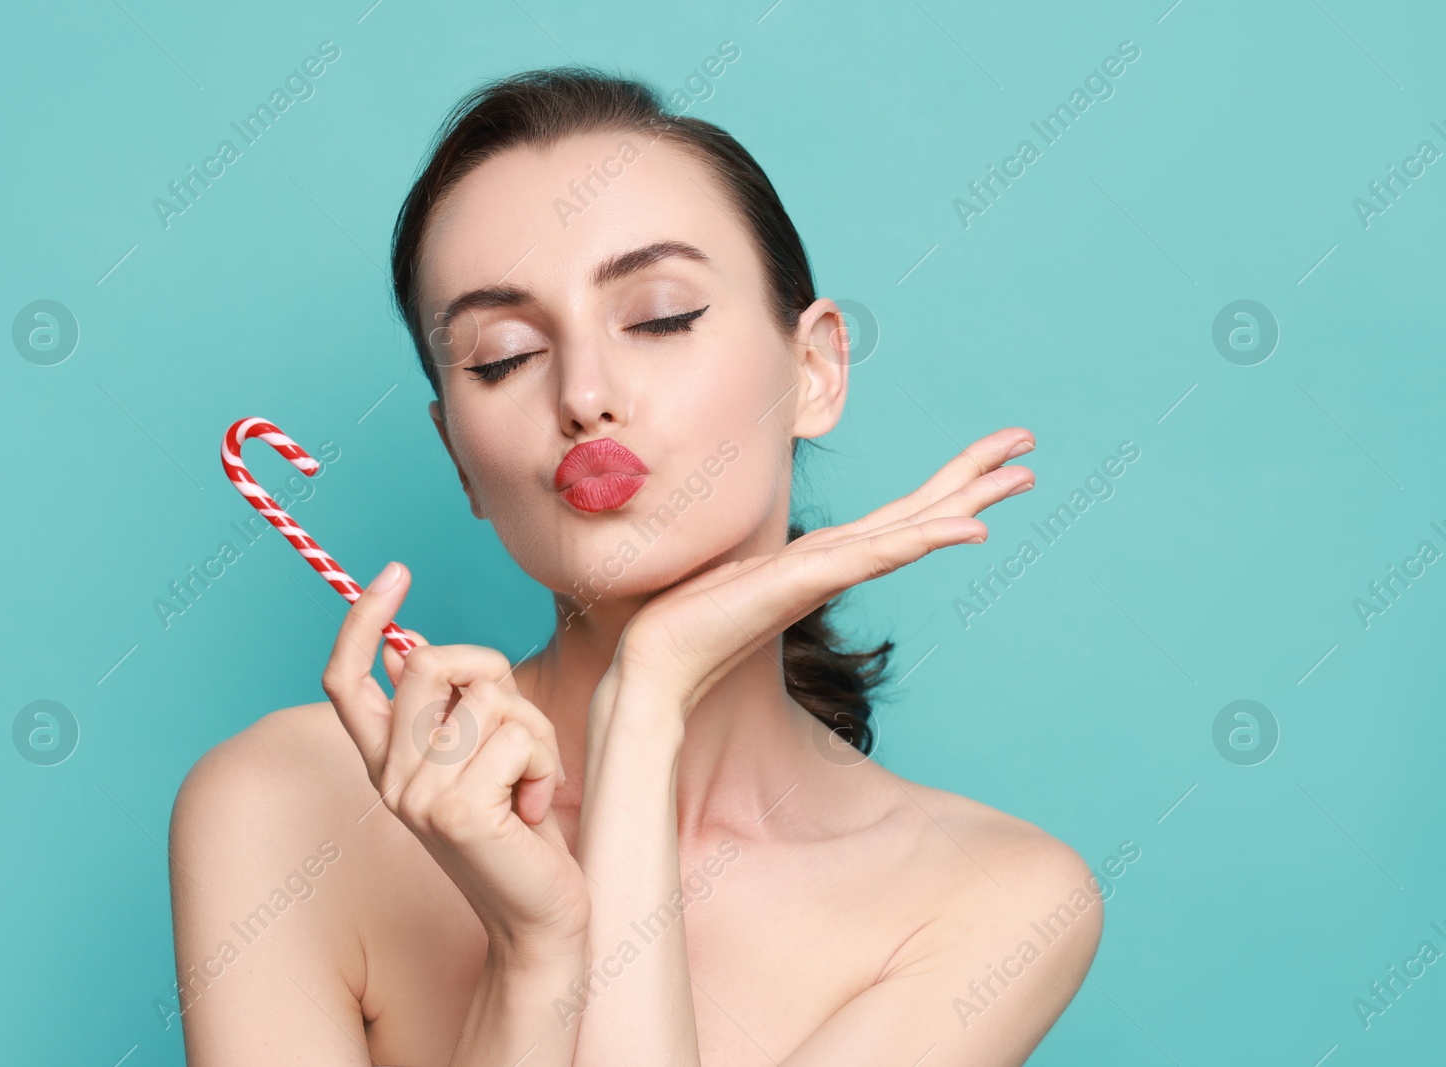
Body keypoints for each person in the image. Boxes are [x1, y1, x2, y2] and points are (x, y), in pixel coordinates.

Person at [168, 67, 1100, 1066]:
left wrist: (644, 700)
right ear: (458, 458)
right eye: (502, 355)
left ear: (815, 368)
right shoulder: (286, 806)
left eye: (659, 315)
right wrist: (534, 959)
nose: (585, 393)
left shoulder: (991, 896)